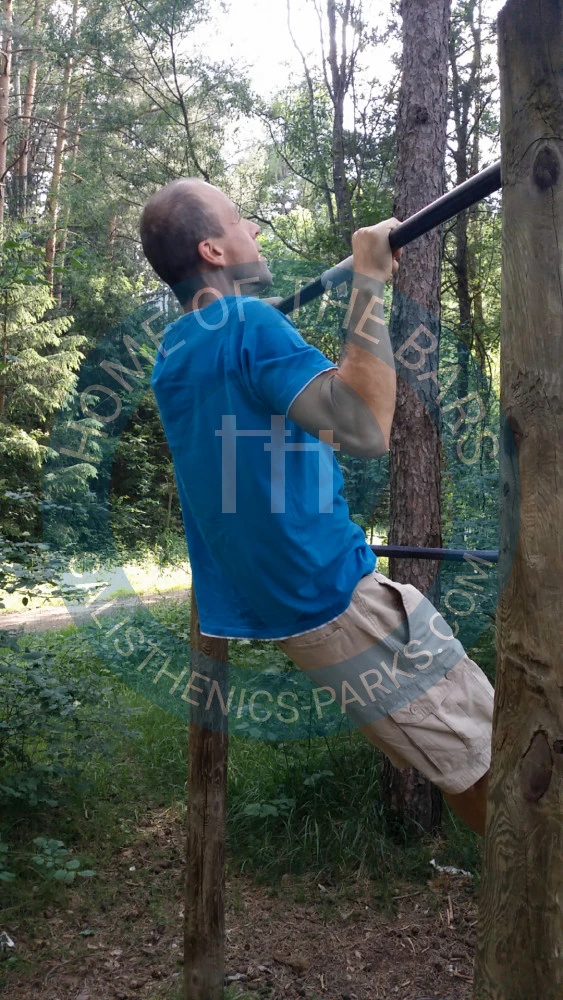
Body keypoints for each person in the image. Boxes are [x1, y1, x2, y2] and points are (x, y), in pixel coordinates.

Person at [140, 177, 494, 835]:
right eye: (243, 221)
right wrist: (367, 281)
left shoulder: (177, 350)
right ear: (213, 250)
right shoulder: (246, 323)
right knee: (494, 771)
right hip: (336, 601)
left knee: (483, 759)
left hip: (302, 608)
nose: (256, 231)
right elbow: (363, 429)